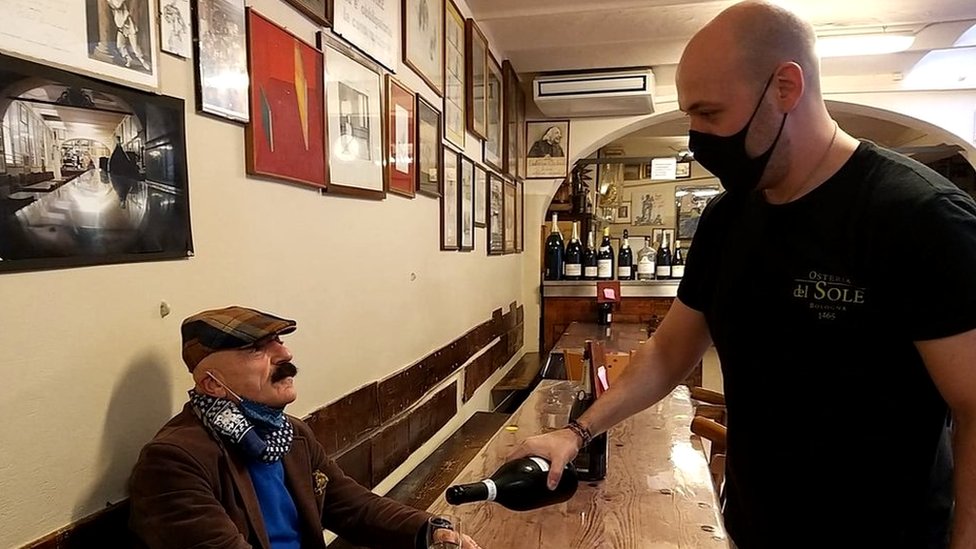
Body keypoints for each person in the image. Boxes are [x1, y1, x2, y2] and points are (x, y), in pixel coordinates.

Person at [511, 2, 976, 548]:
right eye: (691, 116)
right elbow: (668, 352)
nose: (697, 137)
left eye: (710, 114)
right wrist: (577, 432)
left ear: (785, 87)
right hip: (752, 528)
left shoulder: (919, 216)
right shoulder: (727, 218)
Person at [129, 306, 481, 549]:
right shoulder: (174, 461)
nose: (285, 355)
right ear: (213, 384)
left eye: (279, 342)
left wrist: (429, 531)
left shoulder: (290, 434)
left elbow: (351, 506)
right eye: (257, 349)